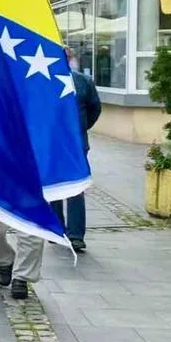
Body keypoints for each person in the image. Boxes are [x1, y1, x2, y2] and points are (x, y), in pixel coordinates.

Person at [50, 46, 101, 253]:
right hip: (74, 143)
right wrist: (82, 128)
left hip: (54, 142)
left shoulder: (42, 79)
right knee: (75, 188)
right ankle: (75, 235)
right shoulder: (83, 81)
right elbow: (95, 110)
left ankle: (58, 230)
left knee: (55, 185)